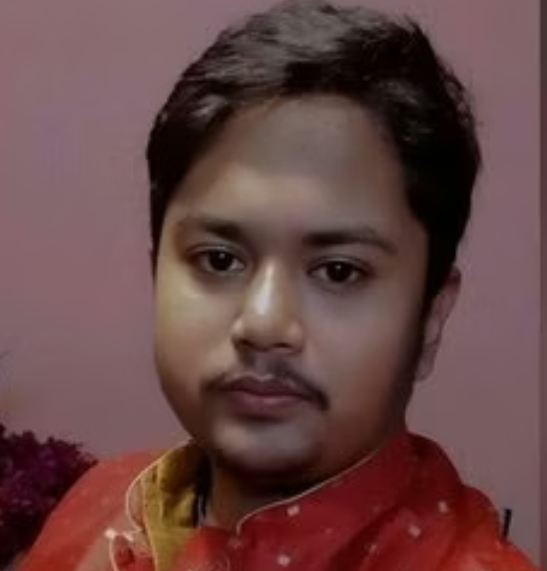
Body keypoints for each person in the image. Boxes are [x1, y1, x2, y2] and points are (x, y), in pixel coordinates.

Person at [20, 1, 537, 569]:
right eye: (219, 260)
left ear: (431, 316)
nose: (263, 323)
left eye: (338, 271)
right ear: (156, 273)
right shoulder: (101, 503)